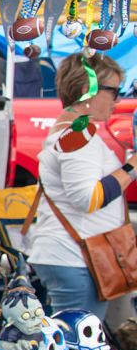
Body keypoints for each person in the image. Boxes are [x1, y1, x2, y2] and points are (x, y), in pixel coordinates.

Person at [29, 51, 134, 323]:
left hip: (73, 254)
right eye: (113, 91)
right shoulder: (78, 134)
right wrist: (132, 167)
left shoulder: (73, 129)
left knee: (72, 339)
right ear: (88, 90)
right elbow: (87, 198)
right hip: (73, 256)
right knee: (77, 342)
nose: (117, 99)